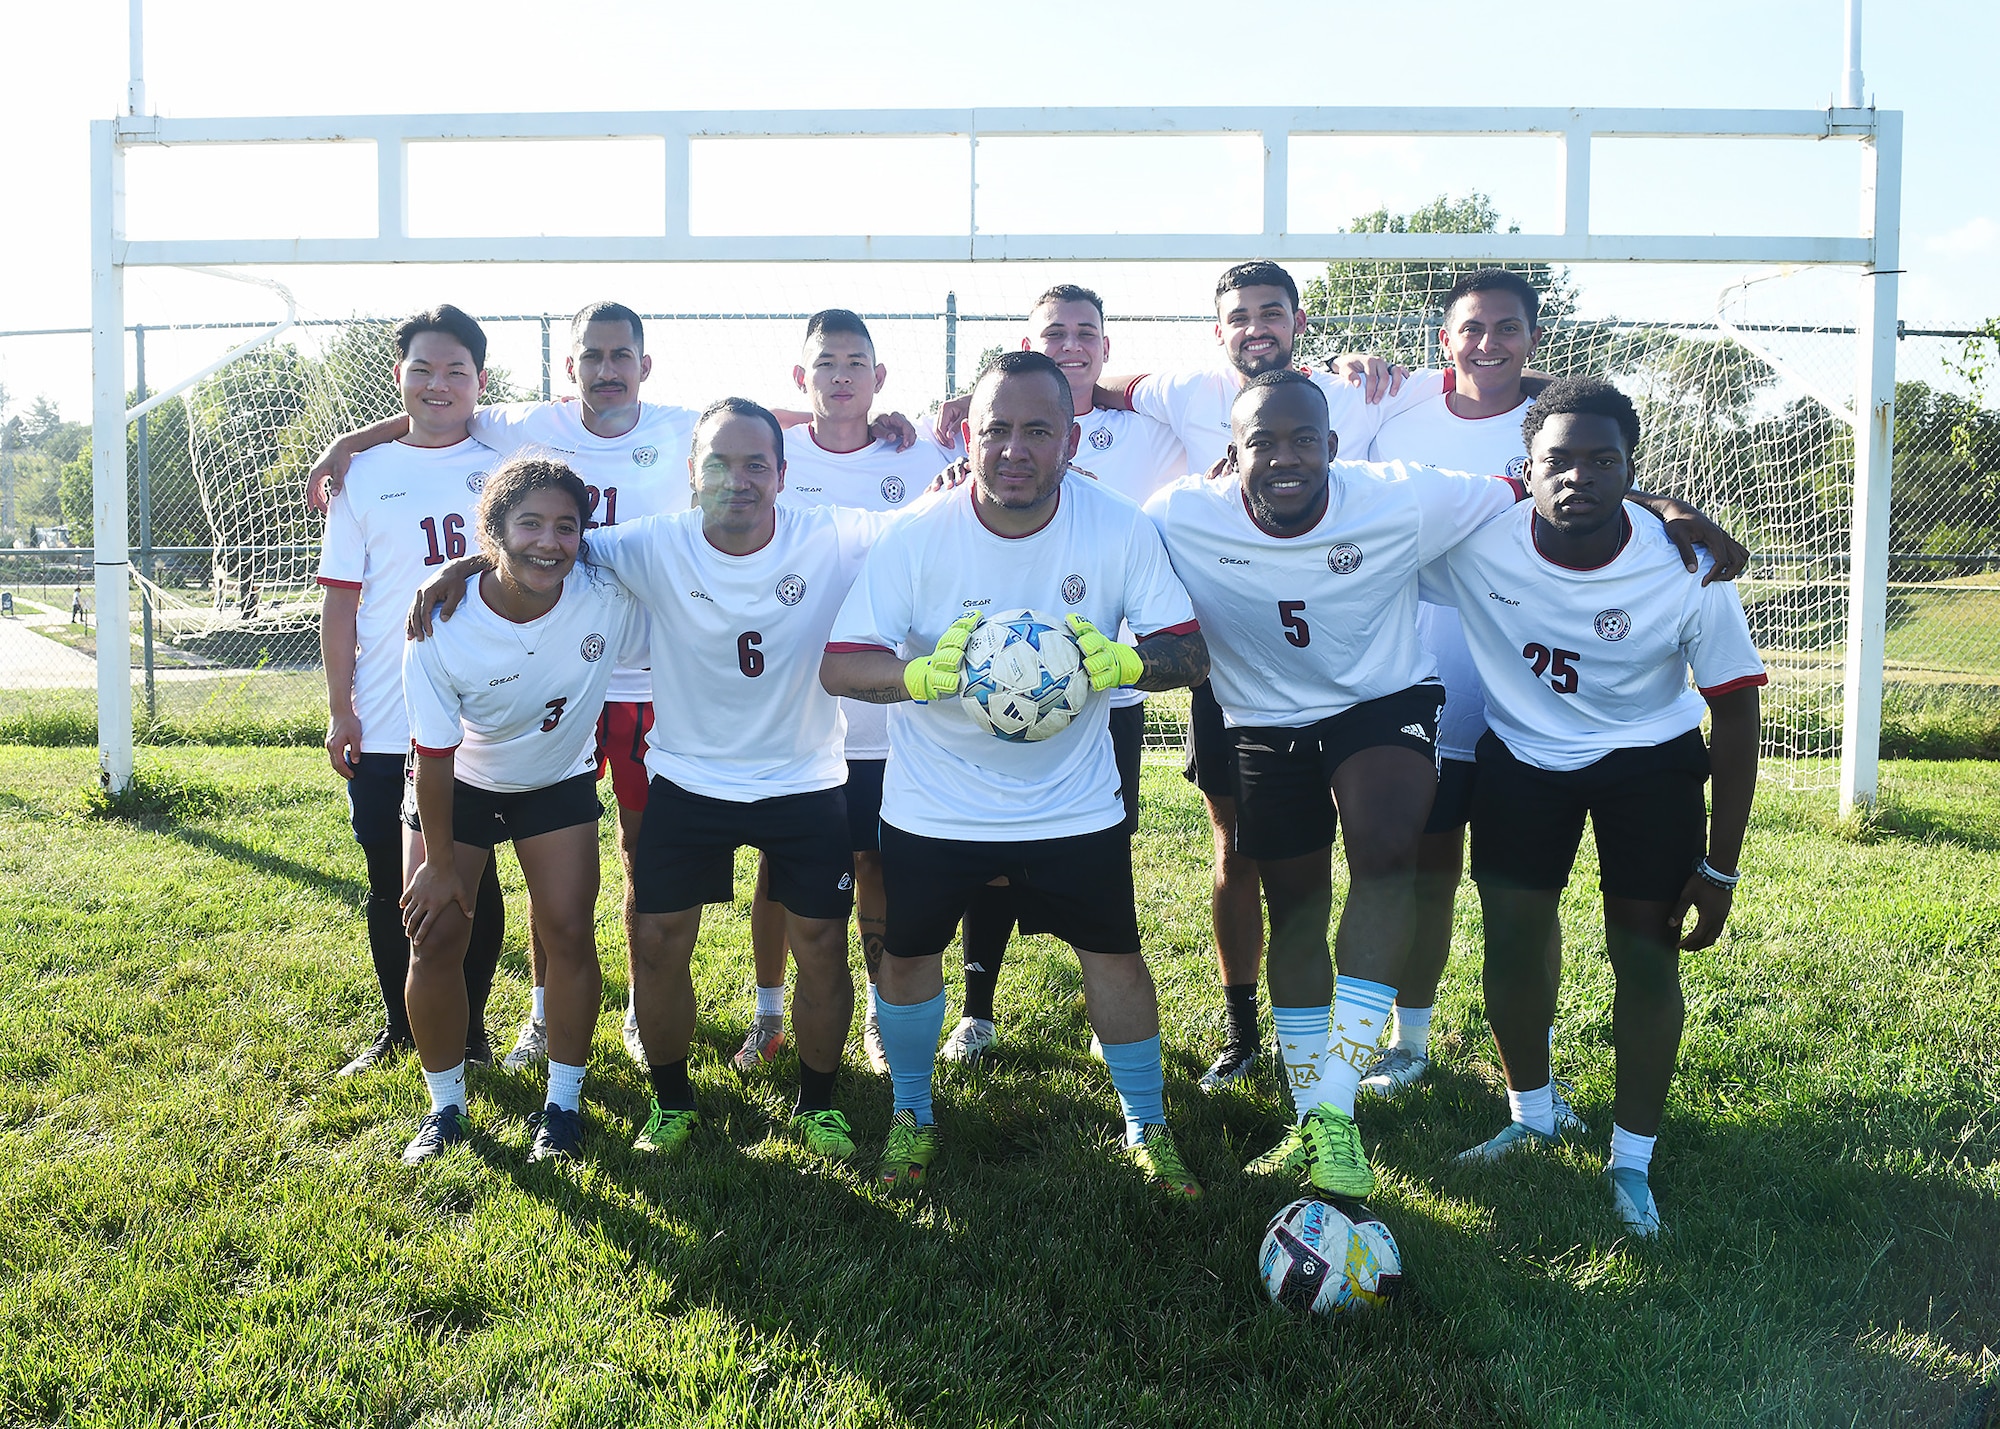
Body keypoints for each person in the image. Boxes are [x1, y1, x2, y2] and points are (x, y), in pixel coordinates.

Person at [1144, 370, 1744, 1200]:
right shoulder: (1178, 513)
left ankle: (1345, 1109)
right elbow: (1091, 533)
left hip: (1385, 701)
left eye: (1305, 439)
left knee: (1389, 854)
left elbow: (1563, 478)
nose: (1286, 457)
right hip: (1267, 720)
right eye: (1262, 443)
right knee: (1298, 905)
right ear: (1229, 454)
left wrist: (1663, 506)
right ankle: (1321, 1113)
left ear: (1335, 446)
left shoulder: (1406, 498)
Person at [822, 351, 1212, 1198]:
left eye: (1039, 429)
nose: (1014, 448)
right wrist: (920, 678)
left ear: (1073, 441)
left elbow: (1190, 652)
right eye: (996, 428)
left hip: (1072, 803)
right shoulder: (918, 534)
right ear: (969, 434)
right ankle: (914, 1113)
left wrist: (1125, 663)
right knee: (910, 954)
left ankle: (1147, 1121)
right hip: (937, 802)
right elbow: (842, 663)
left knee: (1116, 956)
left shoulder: (1117, 527)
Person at [1435, 378, 1763, 1238]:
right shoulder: (1477, 541)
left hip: (1649, 767)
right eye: (1558, 460)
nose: (1577, 476)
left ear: (1630, 470)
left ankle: (1630, 1161)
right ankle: (1531, 1114)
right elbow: (1348, 529)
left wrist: (1720, 864)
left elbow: (1734, 710)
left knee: (1647, 960)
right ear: (1527, 468)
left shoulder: (1686, 562)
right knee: (1510, 940)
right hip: (1522, 762)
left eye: (1601, 460)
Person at [1093, 261, 1431, 1091]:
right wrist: (956, 415)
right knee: (1244, 854)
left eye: (1271, 312)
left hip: (1351, 670)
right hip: (1234, 666)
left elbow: (1486, 380)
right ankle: (1249, 1035)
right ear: (1219, 331)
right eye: (1239, 315)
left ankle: (1344, 1065)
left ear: (1300, 321)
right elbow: (1095, 382)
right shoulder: (1185, 393)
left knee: (1379, 854)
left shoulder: (1357, 393)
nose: (1255, 327)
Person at [930, 284, 1192, 1068]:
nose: (1072, 344)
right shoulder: (984, 431)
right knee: (993, 851)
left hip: (1101, 680)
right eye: (1055, 333)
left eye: (1087, 333)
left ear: (1108, 349)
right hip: (991, 682)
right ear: (1028, 343)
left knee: (1100, 847)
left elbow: (1245, 416)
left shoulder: (1150, 429)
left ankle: (1103, 998)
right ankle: (977, 1010)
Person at [1358, 268, 1570, 1108]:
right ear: (1442, 342)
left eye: (1507, 328)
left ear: (1533, 339)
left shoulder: (1555, 425)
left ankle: (1538, 1063)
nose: (1488, 343)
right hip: (1421, 683)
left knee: (1525, 891)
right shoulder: (1395, 417)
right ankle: (1411, 1045)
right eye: (1471, 328)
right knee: (1425, 873)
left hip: (1529, 694)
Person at [397, 454, 645, 1165]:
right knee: (435, 935)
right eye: (529, 523)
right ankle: (446, 1107)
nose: (549, 541)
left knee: (568, 931)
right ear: (492, 532)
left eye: (566, 526)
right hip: (460, 784)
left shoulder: (604, 587)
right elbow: (435, 757)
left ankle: (562, 1105)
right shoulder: (439, 622)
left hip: (555, 780)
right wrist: (442, 864)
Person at [742, 308, 960, 1078]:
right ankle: (769, 1011)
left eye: (855, 362)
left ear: (879, 378)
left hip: (884, 710)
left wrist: (949, 416)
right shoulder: (772, 449)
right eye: (825, 363)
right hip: (793, 706)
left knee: (875, 863)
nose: (841, 375)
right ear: (802, 378)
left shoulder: (925, 450)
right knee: (778, 867)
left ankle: (873, 1009)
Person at [315, 304, 507, 1076]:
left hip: (483, 716)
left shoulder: (506, 455)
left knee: (469, 877)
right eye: (421, 369)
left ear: (479, 381)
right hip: (389, 713)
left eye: (455, 370)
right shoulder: (363, 474)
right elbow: (339, 599)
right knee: (390, 879)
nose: (438, 384)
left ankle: (471, 1029)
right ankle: (402, 1024)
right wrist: (340, 708)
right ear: (398, 377)